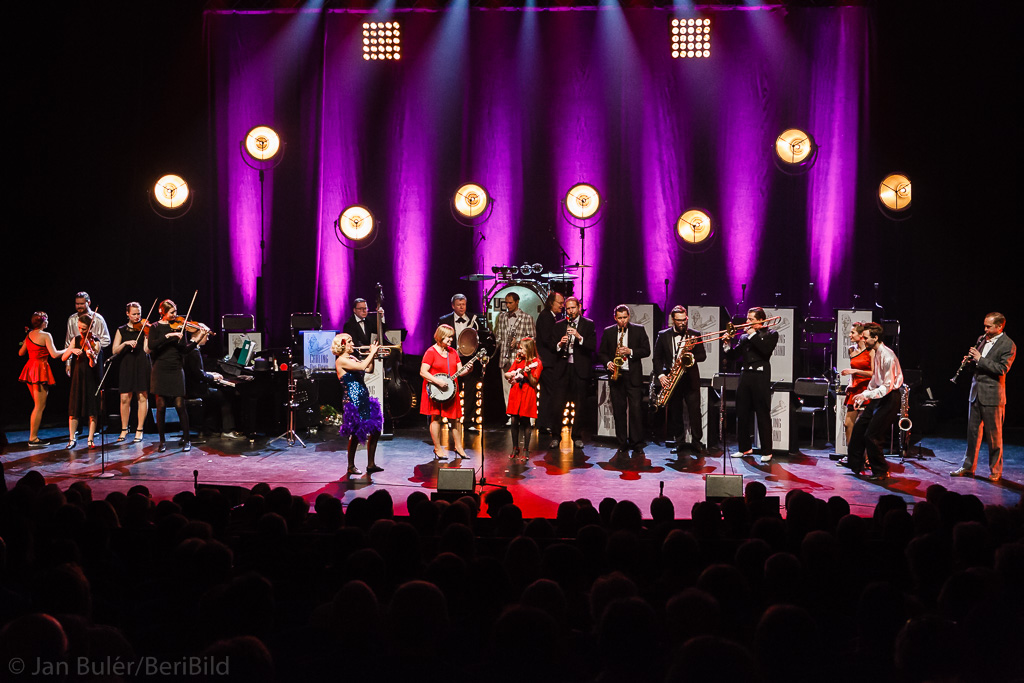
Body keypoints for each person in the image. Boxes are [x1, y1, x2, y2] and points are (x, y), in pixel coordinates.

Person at [951, 312, 1015, 482]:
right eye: (984, 326)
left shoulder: (1008, 345)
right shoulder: (982, 338)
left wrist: (980, 359)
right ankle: (968, 466)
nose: (985, 329)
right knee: (972, 433)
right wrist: (971, 362)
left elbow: (1001, 369)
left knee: (994, 436)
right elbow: (978, 366)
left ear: (1000, 326)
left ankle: (996, 471)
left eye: (989, 326)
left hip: (993, 396)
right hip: (976, 393)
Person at [848, 321, 903, 481]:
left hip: (889, 399)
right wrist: (863, 394)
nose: (863, 340)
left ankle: (881, 470)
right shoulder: (876, 352)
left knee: (872, 436)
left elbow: (887, 387)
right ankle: (855, 464)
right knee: (859, 429)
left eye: (866, 338)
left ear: (875, 337)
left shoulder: (888, 356)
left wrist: (866, 395)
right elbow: (875, 380)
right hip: (878, 397)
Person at [723, 307, 779, 463]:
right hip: (745, 376)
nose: (746, 322)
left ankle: (767, 450)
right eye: (747, 319)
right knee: (742, 413)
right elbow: (735, 356)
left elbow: (765, 351)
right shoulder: (744, 337)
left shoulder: (771, 334)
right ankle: (744, 447)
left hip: (760, 376)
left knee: (762, 413)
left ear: (760, 321)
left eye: (750, 320)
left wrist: (752, 335)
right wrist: (727, 345)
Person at [597, 304, 651, 460]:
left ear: (629, 316)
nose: (622, 321)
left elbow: (646, 350)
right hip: (617, 376)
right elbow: (602, 353)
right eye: (619, 318)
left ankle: (637, 444)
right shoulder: (608, 332)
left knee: (635, 411)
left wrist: (630, 352)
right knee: (619, 412)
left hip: (633, 376)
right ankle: (622, 443)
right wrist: (608, 363)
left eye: (625, 317)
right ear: (615, 318)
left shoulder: (638, 329)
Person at [652, 306, 708, 455]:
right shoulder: (663, 335)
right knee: (675, 413)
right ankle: (679, 442)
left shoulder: (694, 335)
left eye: (685, 320)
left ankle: (697, 442)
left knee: (695, 412)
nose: (683, 323)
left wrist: (691, 356)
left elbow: (703, 356)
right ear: (673, 320)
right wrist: (661, 376)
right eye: (679, 320)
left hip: (690, 379)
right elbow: (657, 358)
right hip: (672, 379)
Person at [145, 300, 193, 453]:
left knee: (180, 405)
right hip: (160, 369)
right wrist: (169, 335)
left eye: (175, 311)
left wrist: (196, 341)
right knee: (161, 406)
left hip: (176, 368)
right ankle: (162, 441)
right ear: (162, 312)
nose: (175, 315)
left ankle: (187, 439)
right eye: (171, 312)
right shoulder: (155, 327)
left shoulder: (180, 326)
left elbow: (184, 350)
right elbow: (152, 346)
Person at [333, 333, 384, 476]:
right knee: (356, 434)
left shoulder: (352, 358)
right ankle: (350, 466)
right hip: (352, 401)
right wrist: (372, 352)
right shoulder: (341, 361)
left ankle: (371, 464)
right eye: (349, 341)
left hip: (363, 398)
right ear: (342, 345)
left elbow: (369, 369)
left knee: (375, 430)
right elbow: (362, 366)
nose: (352, 343)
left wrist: (372, 356)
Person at [18, 312, 70, 446]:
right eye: (46, 320)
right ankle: (33, 438)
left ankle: (33, 437)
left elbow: (21, 352)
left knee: (37, 405)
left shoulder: (29, 335)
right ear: (42, 322)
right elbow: (54, 354)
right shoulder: (46, 335)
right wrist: (69, 349)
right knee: (39, 406)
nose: (48, 322)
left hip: (30, 368)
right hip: (39, 369)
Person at [183, 327, 244, 440]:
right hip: (196, 389)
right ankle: (228, 431)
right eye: (206, 336)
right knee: (225, 396)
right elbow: (199, 375)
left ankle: (209, 429)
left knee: (216, 395)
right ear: (199, 335)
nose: (208, 339)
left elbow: (197, 371)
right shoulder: (194, 351)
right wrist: (213, 376)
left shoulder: (188, 348)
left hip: (191, 387)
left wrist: (209, 373)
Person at [553, 296, 597, 450]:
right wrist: (560, 344)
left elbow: (592, 346)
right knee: (558, 404)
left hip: (580, 369)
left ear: (579, 307)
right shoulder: (559, 325)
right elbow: (552, 348)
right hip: (563, 369)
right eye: (568, 308)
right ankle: (555, 436)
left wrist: (579, 337)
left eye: (573, 308)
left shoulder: (588, 324)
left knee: (580, 405)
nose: (570, 311)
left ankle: (577, 436)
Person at [420, 324, 469, 460]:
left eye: (452, 338)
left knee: (456, 419)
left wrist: (468, 369)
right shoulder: (431, 352)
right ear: (441, 337)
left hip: (450, 391)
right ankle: (437, 448)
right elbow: (423, 372)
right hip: (436, 391)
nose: (451, 340)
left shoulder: (453, 352)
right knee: (436, 418)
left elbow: (460, 371)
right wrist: (438, 382)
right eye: (449, 337)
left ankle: (459, 447)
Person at [439, 294, 487, 432]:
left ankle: (468, 422)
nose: (462, 307)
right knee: (451, 391)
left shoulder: (474, 319)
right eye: (459, 304)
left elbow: (482, 337)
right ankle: (450, 419)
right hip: (452, 360)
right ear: (453, 306)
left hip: (469, 360)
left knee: (471, 391)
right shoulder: (444, 320)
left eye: (464, 304)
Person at [111, 302, 153, 444]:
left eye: (138, 314)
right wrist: (125, 343)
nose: (137, 317)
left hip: (142, 363)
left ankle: (139, 429)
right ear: (127, 314)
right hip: (127, 364)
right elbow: (114, 350)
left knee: (142, 396)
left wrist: (147, 336)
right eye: (134, 314)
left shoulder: (145, 328)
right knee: (124, 398)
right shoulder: (121, 330)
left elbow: (147, 351)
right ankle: (124, 428)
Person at [60, 314, 103, 449]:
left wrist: (91, 357)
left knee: (92, 409)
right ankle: (72, 438)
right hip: (77, 378)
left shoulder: (96, 342)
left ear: (90, 328)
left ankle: (90, 439)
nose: (81, 331)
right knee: (74, 409)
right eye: (79, 328)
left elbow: (93, 365)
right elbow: (63, 358)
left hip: (91, 379)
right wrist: (72, 350)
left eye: (84, 329)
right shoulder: (76, 339)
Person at [494, 292, 536, 409]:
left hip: (519, 359)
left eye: (510, 303)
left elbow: (532, 338)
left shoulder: (527, 318)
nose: (508, 305)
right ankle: (510, 414)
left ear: (517, 302)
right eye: (506, 303)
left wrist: (518, 342)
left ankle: (522, 413)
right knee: (506, 388)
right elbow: (498, 337)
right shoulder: (502, 317)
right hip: (504, 357)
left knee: (520, 387)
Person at [504, 336, 543, 462]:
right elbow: (508, 374)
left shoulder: (537, 362)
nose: (520, 350)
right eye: (519, 348)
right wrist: (510, 375)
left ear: (529, 349)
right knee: (514, 420)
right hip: (516, 391)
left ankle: (526, 449)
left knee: (526, 421)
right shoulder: (518, 360)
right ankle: (515, 447)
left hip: (527, 392)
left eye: (522, 348)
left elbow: (534, 382)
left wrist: (528, 372)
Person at [535, 291, 565, 438]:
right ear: (551, 303)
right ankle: (546, 424)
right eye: (559, 303)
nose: (562, 305)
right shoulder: (546, 317)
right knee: (551, 394)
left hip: (547, 361)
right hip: (548, 362)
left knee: (547, 394)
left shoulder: (549, 316)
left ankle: (543, 424)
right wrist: (560, 345)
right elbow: (547, 340)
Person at [839, 322, 874, 446]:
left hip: (866, 389)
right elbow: (853, 373)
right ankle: (851, 455)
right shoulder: (851, 350)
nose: (849, 335)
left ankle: (865, 457)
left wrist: (854, 371)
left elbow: (872, 373)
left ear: (861, 335)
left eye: (852, 332)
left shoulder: (871, 351)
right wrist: (850, 382)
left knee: (864, 426)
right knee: (848, 424)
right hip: (854, 389)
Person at [64, 291, 110, 377]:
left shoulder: (98, 318)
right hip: (78, 357)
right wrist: (68, 363)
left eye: (81, 303)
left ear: (89, 303)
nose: (79, 306)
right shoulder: (72, 319)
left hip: (94, 356)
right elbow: (68, 341)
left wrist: (93, 346)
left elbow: (106, 340)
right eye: (77, 304)